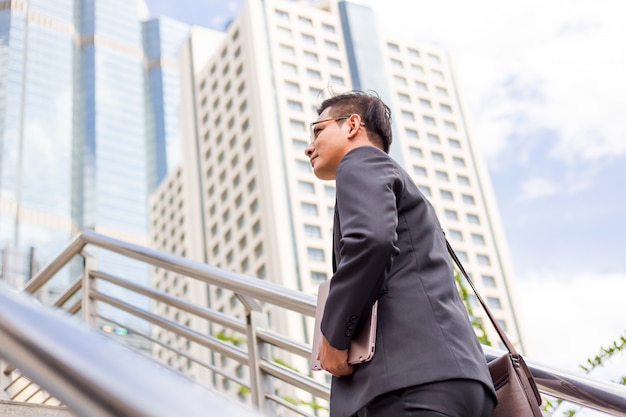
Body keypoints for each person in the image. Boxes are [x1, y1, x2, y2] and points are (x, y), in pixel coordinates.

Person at [305, 90, 497, 417]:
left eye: (318, 130)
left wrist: (334, 335)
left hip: (408, 386)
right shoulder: (401, 185)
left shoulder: (360, 161)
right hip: (458, 382)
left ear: (352, 125)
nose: (310, 147)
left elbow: (370, 241)